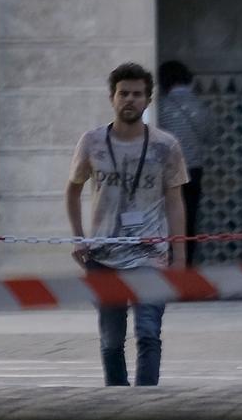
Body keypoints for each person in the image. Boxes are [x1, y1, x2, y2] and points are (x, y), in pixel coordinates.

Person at [66, 63, 189, 387]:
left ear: (148, 100)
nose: (130, 100)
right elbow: (73, 190)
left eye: (137, 94)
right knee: (111, 341)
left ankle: (145, 409)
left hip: (150, 256)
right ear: (112, 98)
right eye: (123, 94)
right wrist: (79, 239)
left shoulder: (166, 146)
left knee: (148, 333)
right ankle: (116, 406)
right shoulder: (91, 142)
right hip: (104, 256)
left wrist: (180, 256)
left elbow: (175, 201)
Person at [157, 60, 213, 264]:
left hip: (168, 171)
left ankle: (167, 262)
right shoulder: (199, 105)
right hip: (194, 169)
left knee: (167, 218)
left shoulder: (161, 107)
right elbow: (210, 134)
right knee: (189, 219)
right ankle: (186, 265)